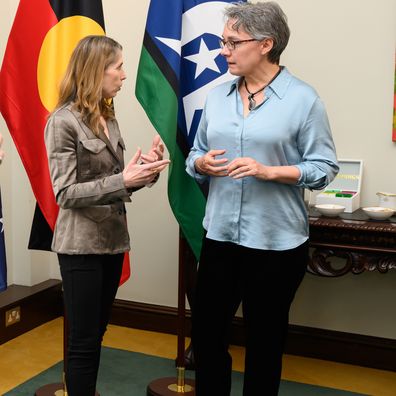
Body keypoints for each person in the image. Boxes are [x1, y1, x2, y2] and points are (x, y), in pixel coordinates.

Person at [185, 2, 339, 395]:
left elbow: (324, 167)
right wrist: (202, 163)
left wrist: (270, 171)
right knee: (205, 337)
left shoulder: (303, 99)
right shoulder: (217, 98)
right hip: (220, 237)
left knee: (265, 346)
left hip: (275, 243)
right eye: (223, 42)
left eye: (233, 42)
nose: (224, 51)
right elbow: (194, 155)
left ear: (266, 44)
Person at [44, 35, 169, 396]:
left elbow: (113, 180)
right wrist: (123, 179)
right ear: (96, 71)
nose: (124, 75)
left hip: (112, 242)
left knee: (97, 333)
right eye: (118, 67)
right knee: (83, 341)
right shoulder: (62, 122)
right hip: (81, 247)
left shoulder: (107, 115)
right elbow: (65, 194)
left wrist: (144, 171)